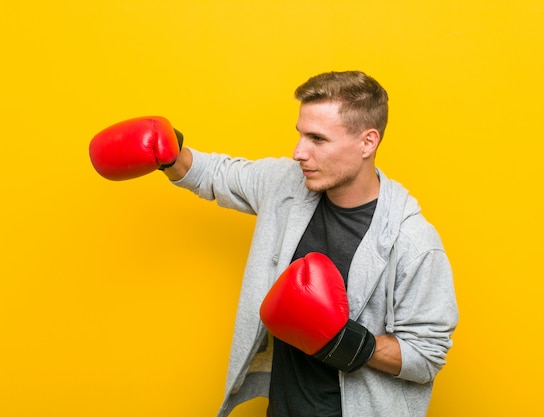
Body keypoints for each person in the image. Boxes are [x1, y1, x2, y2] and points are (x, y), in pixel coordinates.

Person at [89, 70, 459, 417]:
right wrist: (169, 155)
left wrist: (344, 340)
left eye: (317, 139)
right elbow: (218, 175)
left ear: (367, 141)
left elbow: (425, 356)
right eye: (300, 134)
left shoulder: (412, 242)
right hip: (283, 408)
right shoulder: (287, 185)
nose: (299, 152)